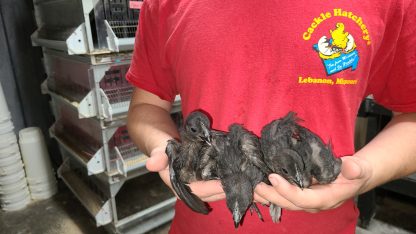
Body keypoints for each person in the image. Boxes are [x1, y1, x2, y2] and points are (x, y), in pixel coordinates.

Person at [126, 0, 416, 233]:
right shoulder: (163, 4)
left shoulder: (392, 4)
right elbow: (146, 107)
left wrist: (365, 172)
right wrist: (164, 147)